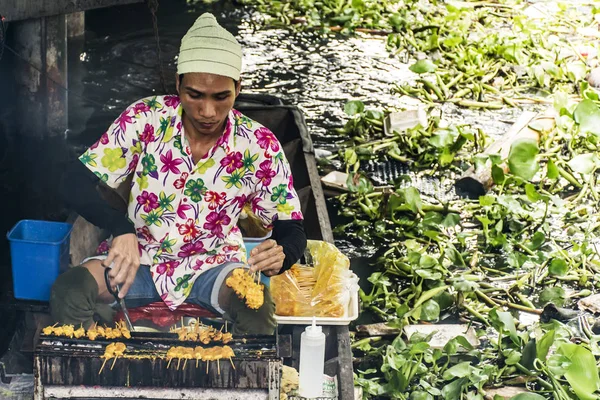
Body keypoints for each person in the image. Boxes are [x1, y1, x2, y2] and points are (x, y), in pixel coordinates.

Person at [50, 13, 307, 335]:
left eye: (221, 96)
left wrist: (285, 253)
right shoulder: (146, 118)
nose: (207, 112)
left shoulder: (258, 145)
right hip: (137, 259)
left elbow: (291, 226)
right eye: (195, 95)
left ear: (238, 88)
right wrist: (121, 228)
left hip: (215, 265)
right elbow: (71, 182)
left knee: (257, 310)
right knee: (70, 292)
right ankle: (91, 370)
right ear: (178, 85)